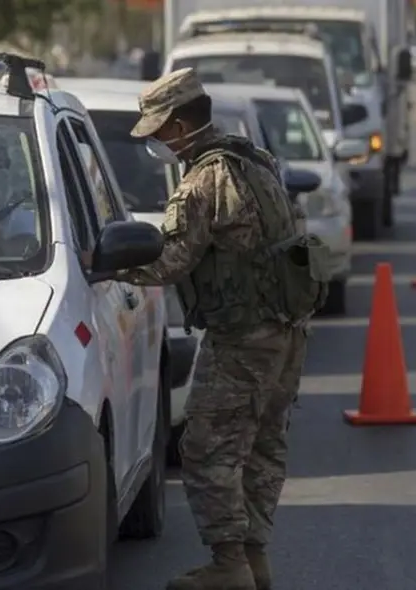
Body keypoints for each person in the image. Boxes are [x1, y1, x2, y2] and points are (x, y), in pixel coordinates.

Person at [112, 67, 319, 590]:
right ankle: (254, 560)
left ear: (181, 125)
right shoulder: (255, 159)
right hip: (287, 329)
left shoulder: (204, 178)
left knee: (206, 448)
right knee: (263, 446)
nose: (157, 140)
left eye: (160, 130)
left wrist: (106, 264)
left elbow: (170, 262)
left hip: (242, 337)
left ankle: (229, 565)